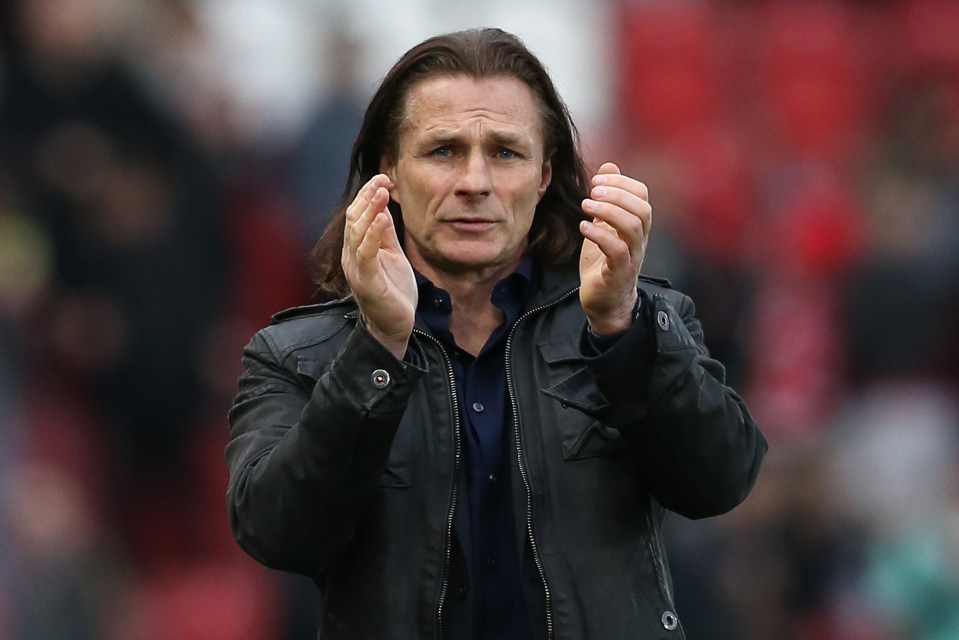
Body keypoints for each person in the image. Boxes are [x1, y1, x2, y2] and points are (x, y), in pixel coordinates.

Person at [226, 27, 767, 640]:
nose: (475, 182)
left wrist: (622, 329)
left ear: (544, 176)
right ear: (390, 174)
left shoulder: (636, 320)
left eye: (506, 153)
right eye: (443, 151)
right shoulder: (295, 355)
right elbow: (277, 534)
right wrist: (378, 349)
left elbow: (719, 481)